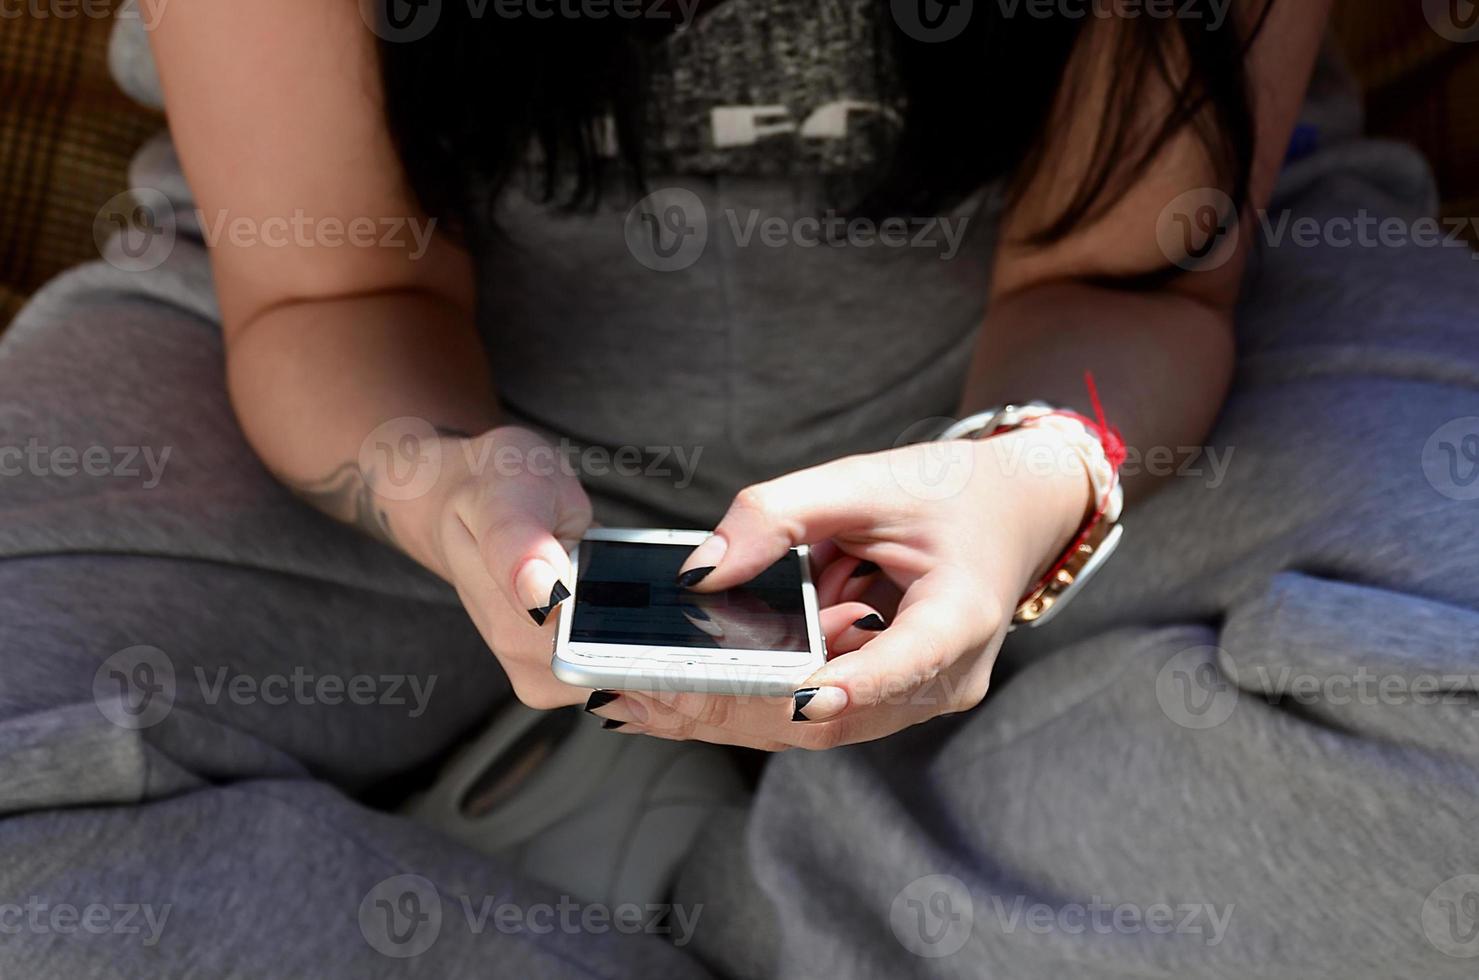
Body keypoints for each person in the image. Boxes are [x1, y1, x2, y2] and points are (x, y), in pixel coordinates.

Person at [5, 1, 1479, 976]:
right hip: (383, 373)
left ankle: (665, 892)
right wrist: (435, 484)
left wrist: (1033, 481)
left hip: (1108, 368)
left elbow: (1130, 279)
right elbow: (332, 295)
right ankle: (986, 873)